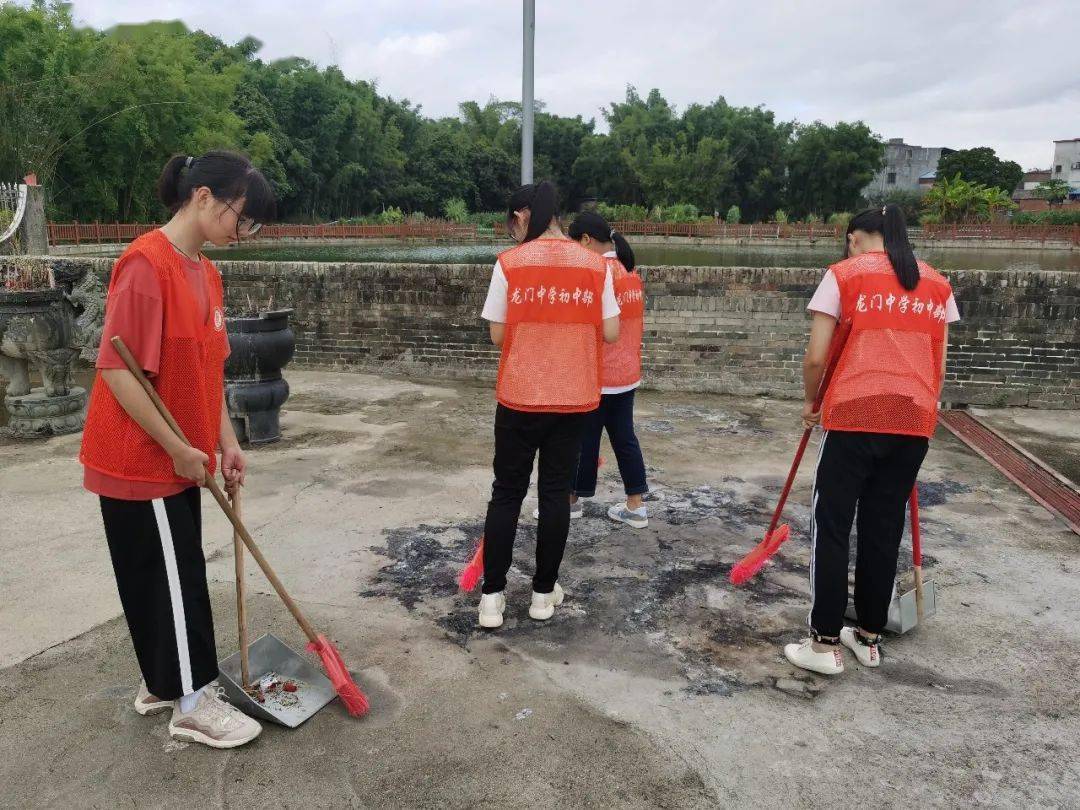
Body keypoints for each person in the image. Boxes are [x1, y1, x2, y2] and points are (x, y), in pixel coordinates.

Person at [79, 151, 275, 747]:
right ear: (205, 198)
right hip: (139, 459)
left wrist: (225, 440)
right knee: (175, 578)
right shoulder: (146, 265)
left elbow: (205, 369)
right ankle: (191, 701)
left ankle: (164, 682)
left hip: (184, 458)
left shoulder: (205, 271)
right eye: (242, 218)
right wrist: (176, 448)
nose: (243, 233)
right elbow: (118, 371)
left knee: (163, 572)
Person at [783, 204, 960, 675]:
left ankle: (822, 644)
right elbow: (938, 363)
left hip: (854, 416)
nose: (848, 247)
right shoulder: (938, 284)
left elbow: (816, 358)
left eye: (849, 239)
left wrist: (810, 402)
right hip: (913, 419)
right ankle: (868, 635)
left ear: (859, 237)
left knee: (833, 523)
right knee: (884, 526)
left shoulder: (844, 275)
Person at [477, 181, 620, 629]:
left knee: (507, 493)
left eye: (511, 222)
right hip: (572, 399)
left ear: (523, 215)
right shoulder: (595, 266)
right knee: (555, 493)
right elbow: (612, 331)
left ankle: (492, 599)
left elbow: (498, 335)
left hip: (519, 396)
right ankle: (542, 594)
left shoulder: (509, 264)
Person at [566, 211, 649, 528]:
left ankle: (570, 503)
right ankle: (635, 506)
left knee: (583, 441)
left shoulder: (597, 272)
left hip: (598, 375)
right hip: (627, 373)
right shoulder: (631, 271)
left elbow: (586, 327)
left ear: (585, 240)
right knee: (625, 438)